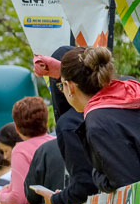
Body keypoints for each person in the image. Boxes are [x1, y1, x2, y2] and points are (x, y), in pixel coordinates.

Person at [56, 46, 140, 192]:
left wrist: (98, 175)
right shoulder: (131, 90)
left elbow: (126, 183)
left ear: (70, 87)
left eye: (61, 86)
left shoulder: (98, 121)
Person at [32, 47, 98, 204]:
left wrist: (58, 199)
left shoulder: (69, 124)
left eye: (61, 86)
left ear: (68, 86)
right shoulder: (126, 94)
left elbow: (85, 186)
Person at [0, 97, 55, 204]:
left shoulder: (20, 150)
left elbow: (19, 197)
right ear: (46, 121)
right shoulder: (55, 142)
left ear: (17, 128)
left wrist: (1, 196)